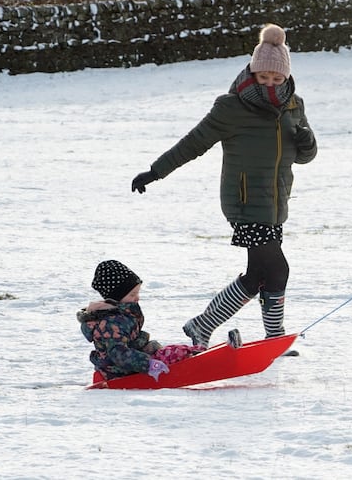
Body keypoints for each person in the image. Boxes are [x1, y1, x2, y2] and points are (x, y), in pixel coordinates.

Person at [130, 23, 317, 349]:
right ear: (252, 72)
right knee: (276, 269)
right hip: (244, 202)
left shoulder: (293, 105)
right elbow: (193, 143)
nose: (270, 83)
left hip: (275, 203)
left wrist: (307, 140)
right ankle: (268, 336)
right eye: (263, 77)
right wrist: (155, 171)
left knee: (261, 275)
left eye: (276, 78)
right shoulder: (231, 107)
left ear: (285, 77)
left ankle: (205, 325)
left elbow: (305, 156)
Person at [78, 260, 172, 381]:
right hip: (119, 371)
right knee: (172, 354)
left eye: (137, 293)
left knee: (168, 351)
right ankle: (192, 366)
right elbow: (118, 354)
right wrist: (148, 364)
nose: (137, 298)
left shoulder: (123, 313)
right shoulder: (111, 323)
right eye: (132, 295)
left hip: (133, 361)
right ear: (117, 297)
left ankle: (195, 355)